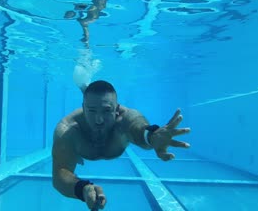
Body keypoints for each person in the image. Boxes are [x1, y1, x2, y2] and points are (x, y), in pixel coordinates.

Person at [52, 80, 191, 210]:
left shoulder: (125, 119)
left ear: (117, 109)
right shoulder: (68, 129)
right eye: (92, 111)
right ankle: (84, 84)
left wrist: (153, 137)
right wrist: (82, 188)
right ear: (83, 107)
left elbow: (139, 128)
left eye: (107, 110)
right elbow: (59, 176)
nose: (99, 120)